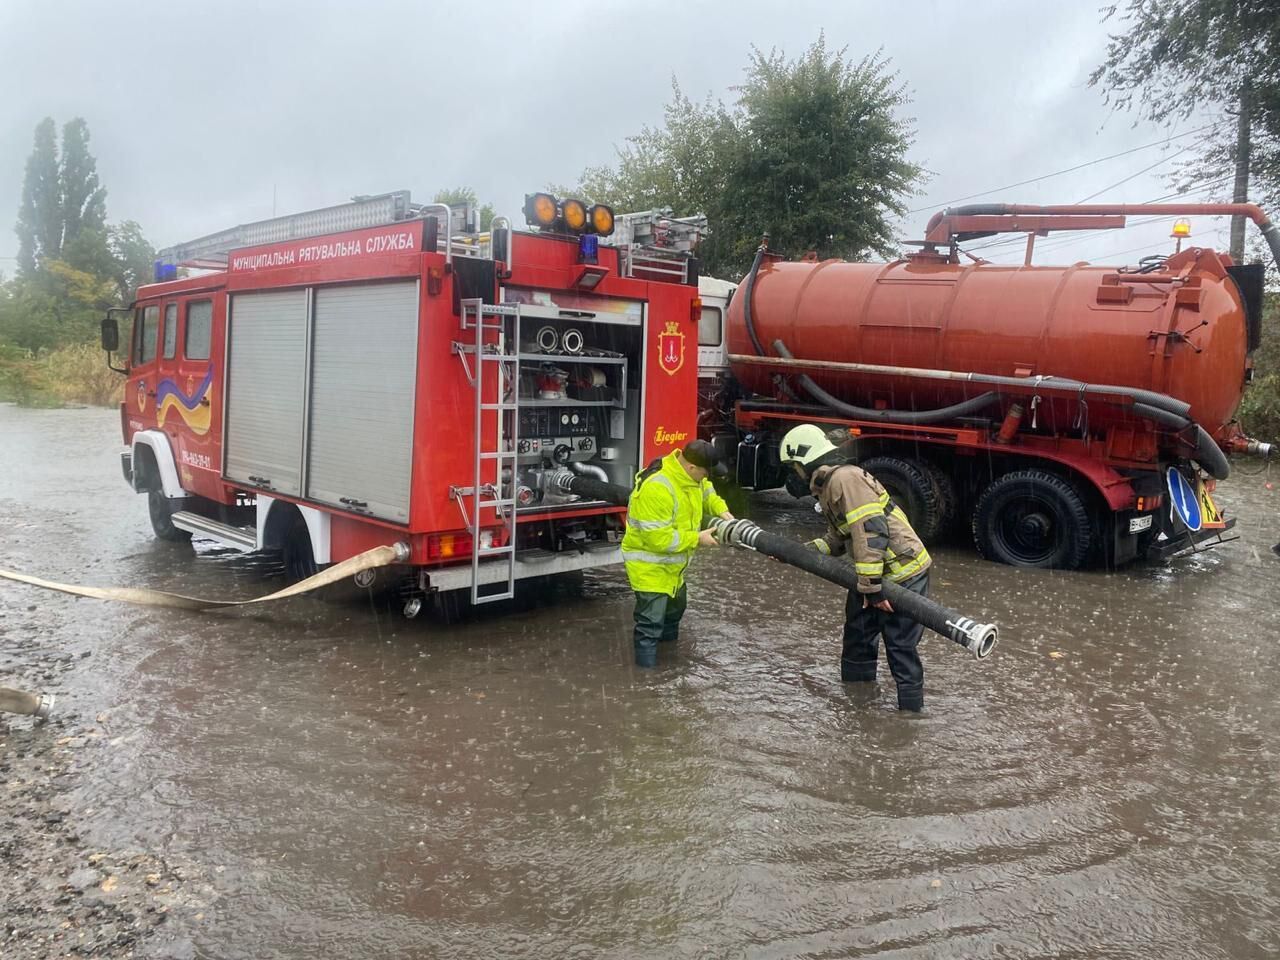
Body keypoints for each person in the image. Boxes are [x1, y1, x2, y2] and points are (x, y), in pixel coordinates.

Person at [778, 424, 933, 712]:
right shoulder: (829, 485)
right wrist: (802, 552)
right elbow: (840, 537)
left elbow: (871, 532)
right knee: (858, 636)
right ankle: (857, 704)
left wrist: (873, 591)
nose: (794, 475)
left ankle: (910, 719)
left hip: (903, 574)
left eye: (793, 467)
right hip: (872, 577)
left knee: (900, 647)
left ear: (804, 460)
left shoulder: (845, 480)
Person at [622, 439, 734, 667]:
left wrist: (723, 512)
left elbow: (707, 493)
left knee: (674, 613)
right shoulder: (658, 487)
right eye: (705, 473)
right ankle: (647, 681)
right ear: (692, 467)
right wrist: (697, 539)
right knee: (650, 625)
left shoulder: (691, 477)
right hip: (650, 568)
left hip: (674, 568)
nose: (706, 478)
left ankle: (669, 662)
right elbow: (658, 539)